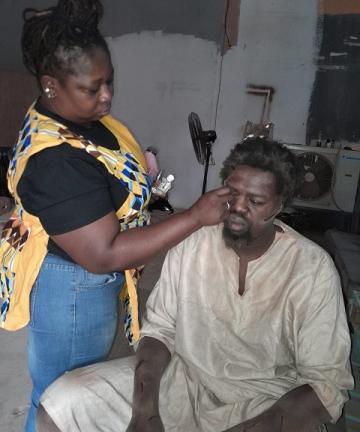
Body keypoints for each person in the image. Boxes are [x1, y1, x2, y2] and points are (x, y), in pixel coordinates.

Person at [0, 0, 232, 432]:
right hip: (71, 290)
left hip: (87, 281)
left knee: (70, 392)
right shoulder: (56, 162)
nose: (107, 97)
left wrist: (137, 182)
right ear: (51, 86)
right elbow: (103, 253)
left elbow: (103, 166)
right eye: (93, 88)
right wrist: (193, 216)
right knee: (58, 400)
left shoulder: (83, 119)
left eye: (110, 82)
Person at [37, 137, 354, 432]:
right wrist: (145, 411)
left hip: (264, 401)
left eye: (255, 201)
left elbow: (325, 382)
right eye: (233, 194)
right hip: (184, 380)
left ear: (279, 206)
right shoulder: (194, 240)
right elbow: (160, 331)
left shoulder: (311, 268)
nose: (238, 209)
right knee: (61, 404)